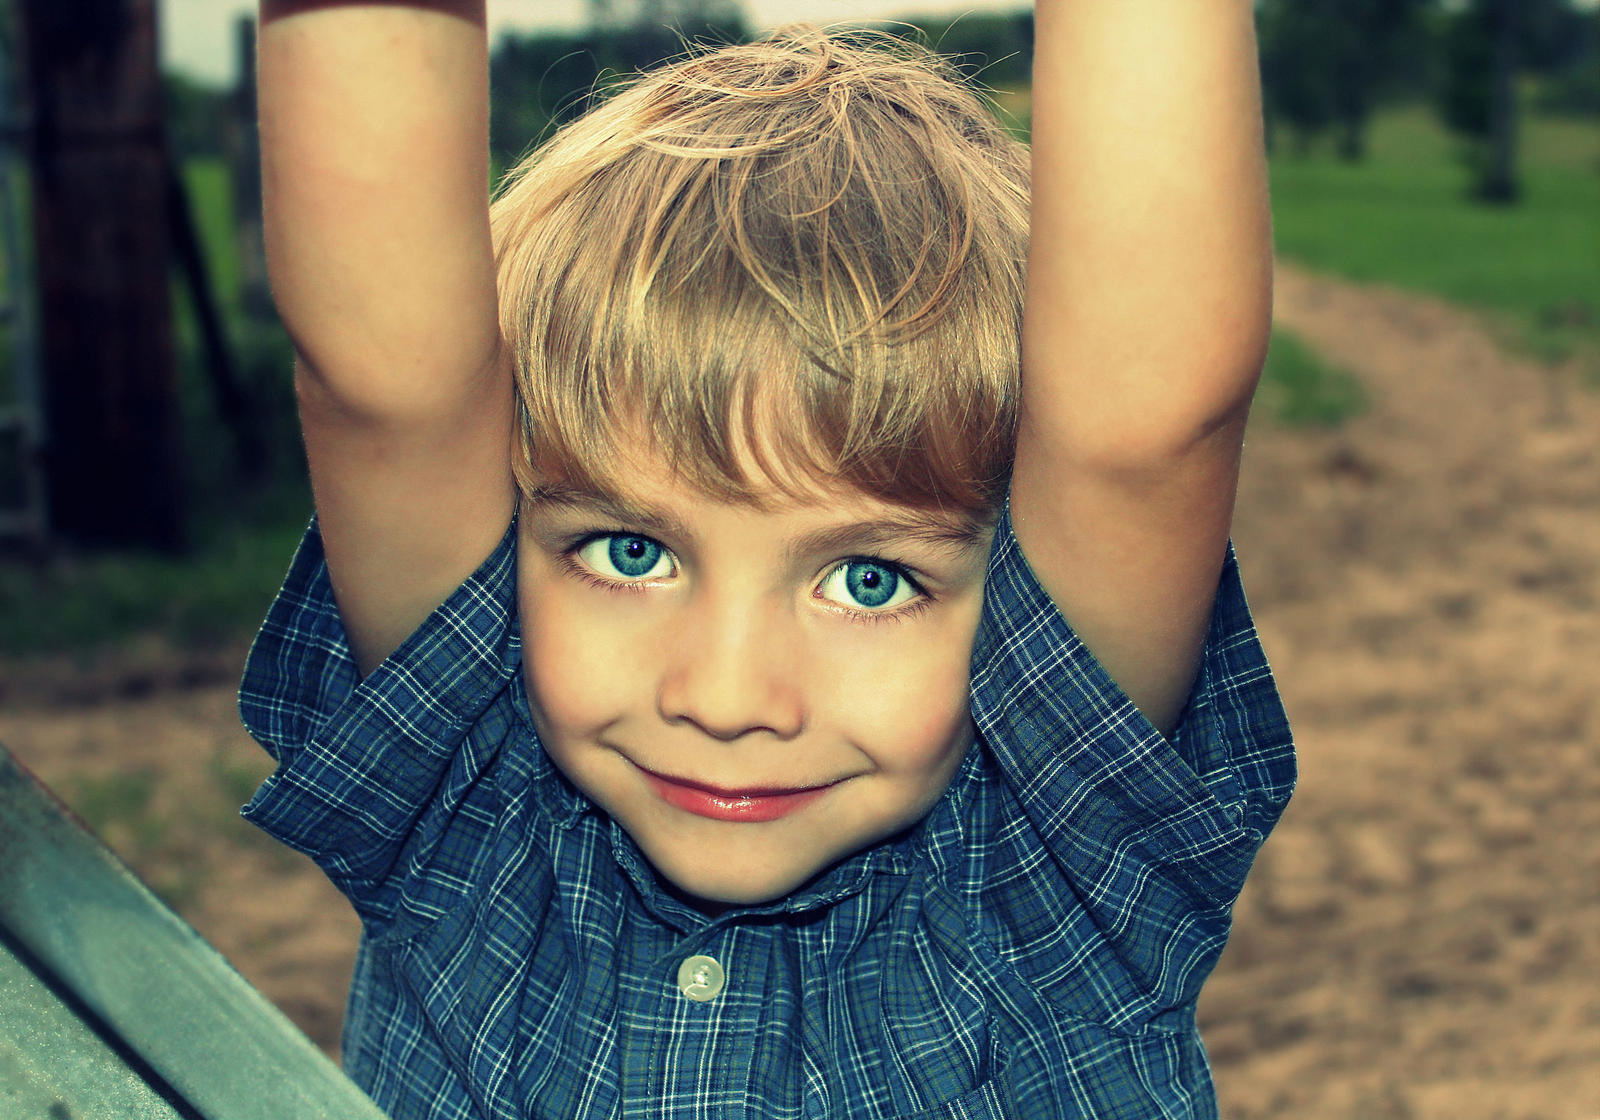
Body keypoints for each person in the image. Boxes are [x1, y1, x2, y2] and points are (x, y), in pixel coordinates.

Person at [239, 1, 1294, 1116]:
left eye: (867, 579)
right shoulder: (471, 807)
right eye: (630, 550)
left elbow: (1145, 430)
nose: (728, 698)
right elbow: (382, 383)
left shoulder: (1055, 879)